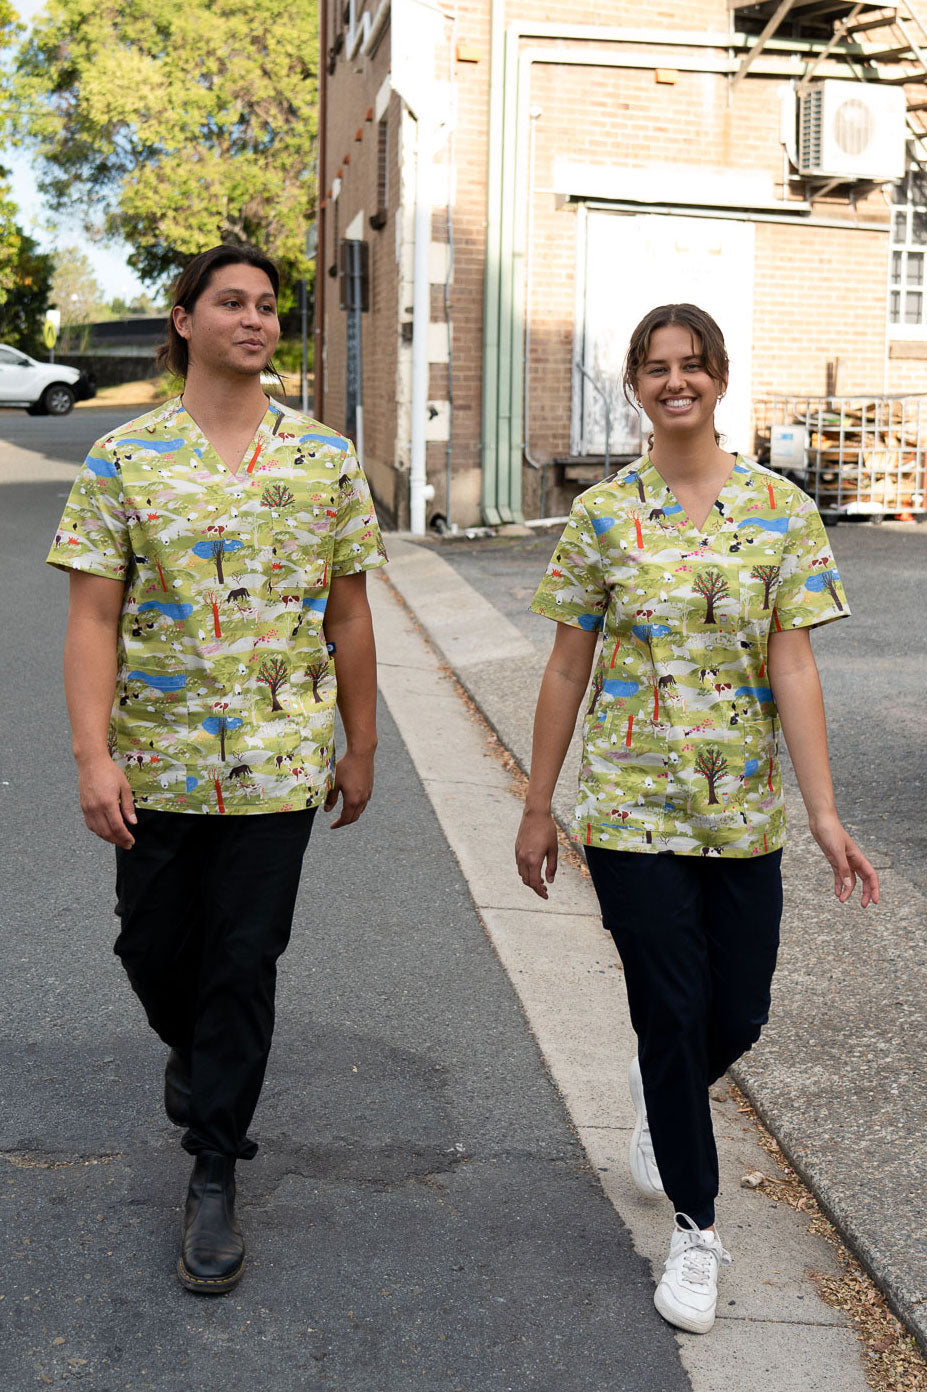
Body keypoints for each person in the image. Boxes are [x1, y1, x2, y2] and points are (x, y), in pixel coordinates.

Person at [515, 303, 879, 1335]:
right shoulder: (602, 516)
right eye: (655, 368)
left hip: (743, 819)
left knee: (738, 1015)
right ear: (634, 385)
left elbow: (793, 663)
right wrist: (539, 807)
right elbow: (565, 665)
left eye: (693, 366)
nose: (676, 382)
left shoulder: (782, 510)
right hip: (630, 810)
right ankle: (695, 1223)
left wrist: (822, 812)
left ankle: (659, 1084)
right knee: (672, 1010)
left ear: (720, 378)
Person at [47, 243, 387, 1294]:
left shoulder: (323, 459)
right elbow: (92, 616)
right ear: (184, 320)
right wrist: (93, 753)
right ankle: (194, 1058)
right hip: (157, 760)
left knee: (244, 963)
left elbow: (351, 612)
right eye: (230, 302)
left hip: (280, 764)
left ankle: (213, 1170)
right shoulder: (122, 460)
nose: (252, 318)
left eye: (267, 306)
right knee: (152, 951)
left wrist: (361, 744)